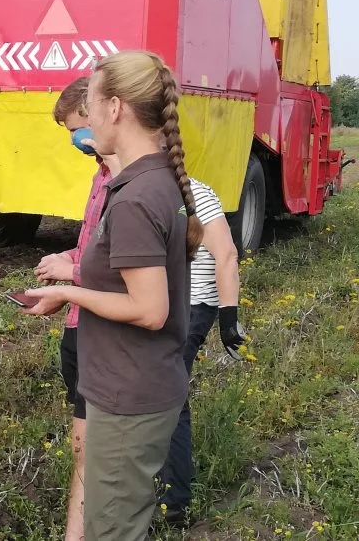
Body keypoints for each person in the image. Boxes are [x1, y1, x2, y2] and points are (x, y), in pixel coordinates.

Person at [22, 49, 202, 541]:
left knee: (113, 531)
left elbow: (148, 309)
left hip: (128, 396)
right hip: (133, 387)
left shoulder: (137, 197)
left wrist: (72, 294)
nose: (89, 116)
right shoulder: (151, 180)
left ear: (116, 108)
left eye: (94, 103)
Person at [33, 75, 119, 541]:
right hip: (79, 324)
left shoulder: (136, 186)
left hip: (103, 328)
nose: (76, 141)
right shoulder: (101, 178)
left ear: (102, 113)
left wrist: (72, 278)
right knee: (84, 444)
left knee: (99, 448)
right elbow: (96, 246)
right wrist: (66, 258)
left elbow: (131, 274)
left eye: (76, 129)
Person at [155, 177, 243, 527]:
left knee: (168, 396)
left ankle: (173, 502)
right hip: (165, 306)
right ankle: (166, 486)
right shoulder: (142, 188)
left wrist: (229, 318)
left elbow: (227, 254)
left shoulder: (195, 193)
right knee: (166, 393)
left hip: (191, 308)